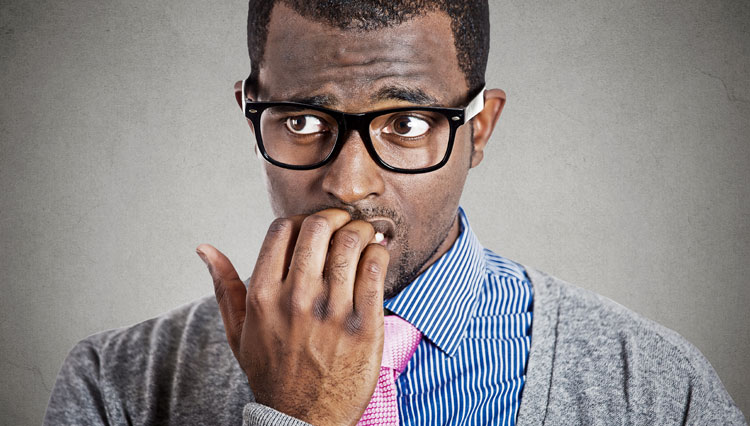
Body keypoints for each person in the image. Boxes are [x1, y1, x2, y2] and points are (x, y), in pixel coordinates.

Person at [44, 1, 746, 425]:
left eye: (407, 124)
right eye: (301, 120)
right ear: (249, 112)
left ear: (479, 129)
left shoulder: (652, 385)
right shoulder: (118, 387)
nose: (350, 182)